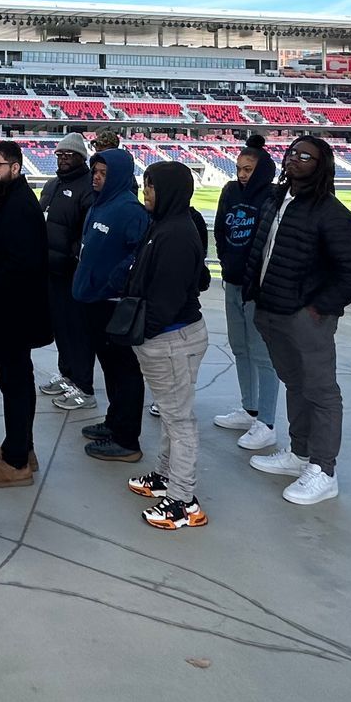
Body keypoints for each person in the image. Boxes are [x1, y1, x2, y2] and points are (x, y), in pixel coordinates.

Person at [243, 135, 351, 505]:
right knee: (294, 383)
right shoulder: (275, 199)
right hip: (269, 308)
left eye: (307, 157)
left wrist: (317, 308)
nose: (297, 160)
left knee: (321, 391)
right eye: (293, 153)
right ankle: (299, 453)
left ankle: (323, 469)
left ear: (321, 166)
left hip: (303, 316)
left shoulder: (331, 213)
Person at [126, 162, 213, 532]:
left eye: (151, 187)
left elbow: (167, 297)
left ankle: (183, 500)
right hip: (170, 337)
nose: (146, 193)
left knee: (180, 421)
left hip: (173, 339)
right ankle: (165, 475)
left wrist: (142, 331)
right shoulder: (167, 224)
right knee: (171, 413)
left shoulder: (175, 233)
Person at [72, 146, 152, 464]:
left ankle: (126, 439)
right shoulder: (98, 205)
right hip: (92, 300)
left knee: (125, 371)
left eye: (103, 173)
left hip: (112, 304)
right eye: (95, 171)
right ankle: (114, 421)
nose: (96, 177)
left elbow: (139, 255)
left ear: (117, 175)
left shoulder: (131, 210)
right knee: (109, 369)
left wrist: (113, 283)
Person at [0, 140, 51, 486]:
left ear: (16, 168)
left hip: (14, 313)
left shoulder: (19, 206)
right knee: (14, 380)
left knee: (15, 382)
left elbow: (17, 266)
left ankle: (17, 462)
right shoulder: (12, 201)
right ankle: (21, 446)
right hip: (12, 311)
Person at [212, 136, 279, 450]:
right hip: (233, 281)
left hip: (259, 287)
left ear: (262, 169)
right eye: (239, 168)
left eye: (248, 169)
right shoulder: (229, 191)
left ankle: (266, 421)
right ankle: (248, 407)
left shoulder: (273, 196)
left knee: (262, 353)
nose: (242, 174)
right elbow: (221, 231)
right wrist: (226, 263)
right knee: (239, 347)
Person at [40, 133, 99, 411]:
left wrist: (74, 255)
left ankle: (84, 387)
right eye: (60, 155)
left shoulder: (87, 187)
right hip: (51, 269)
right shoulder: (51, 186)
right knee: (61, 328)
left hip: (73, 271)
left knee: (78, 331)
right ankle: (67, 375)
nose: (63, 159)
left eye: (69, 155)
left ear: (81, 158)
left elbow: (87, 230)